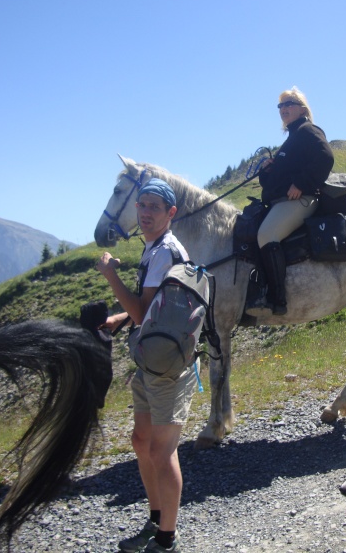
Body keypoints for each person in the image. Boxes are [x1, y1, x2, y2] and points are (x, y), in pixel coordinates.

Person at [97, 178, 195, 553]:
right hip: (153, 357)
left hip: (169, 366)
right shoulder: (155, 249)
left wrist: (110, 275)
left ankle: (167, 539)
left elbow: (143, 312)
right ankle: (155, 520)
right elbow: (152, 307)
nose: (146, 212)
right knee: (142, 442)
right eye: (142, 205)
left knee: (161, 450)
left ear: (171, 213)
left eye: (155, 206)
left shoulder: (163, 252)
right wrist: (120, 317)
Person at [246, 87, 334, 317]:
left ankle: (276, 298)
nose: (284, 109)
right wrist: (267, 171)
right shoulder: (292, 139)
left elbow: (326, 157)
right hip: (281, 201)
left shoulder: (308, 131)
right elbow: (275, 181)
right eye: (280, 106)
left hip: (302, 200)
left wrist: (302, 184)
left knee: (266, 235)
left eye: (289, 104)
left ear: (302, 109)